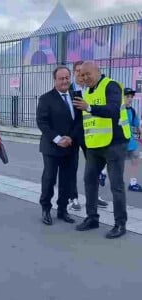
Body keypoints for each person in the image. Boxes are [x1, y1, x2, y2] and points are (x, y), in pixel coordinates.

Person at [73, 61, 130, 239]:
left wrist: (89, 107)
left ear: (98, 71)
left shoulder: (110, 86)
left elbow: (113, 110)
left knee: (116, 185)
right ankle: (92, 218)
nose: (85, 78)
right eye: (82, 75)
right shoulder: (86, 91)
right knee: (89, 179)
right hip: (95, 145)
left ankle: (120, 224)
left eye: (88, 74)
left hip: (114, 143)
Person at [36, 66, 82, 226]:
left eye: (67, 77)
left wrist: (71, 137)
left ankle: (62, 209)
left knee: (67, 179)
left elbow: (79, 120)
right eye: (61, 78)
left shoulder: (76, 96)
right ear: (55, 80)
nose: (65, 81)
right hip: (52, 147)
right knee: (49, 179)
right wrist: (57, 139)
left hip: (71, 146)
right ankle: (46, 209)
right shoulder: (45, 98)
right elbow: (42, 122)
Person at [69, 61, 108, 211]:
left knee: (95, 167)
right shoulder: (69, 90)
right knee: (71, 166)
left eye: (83, 72)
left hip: (90, 135)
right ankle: (73, 198)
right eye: (78, 71)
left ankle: (94, 196)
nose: (81, 74)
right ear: (74, 73)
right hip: (73, 134)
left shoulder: (92, 89)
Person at [124, 87, 142, 192]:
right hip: (119, 143)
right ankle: (102, 174)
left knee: (135, 159)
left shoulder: (132, 111)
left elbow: (137, 124)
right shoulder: (118, 110)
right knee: (113, 162)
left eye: (131, 97)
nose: (130, 99)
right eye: (127, 96)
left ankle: (133, 183)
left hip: (130, 142)